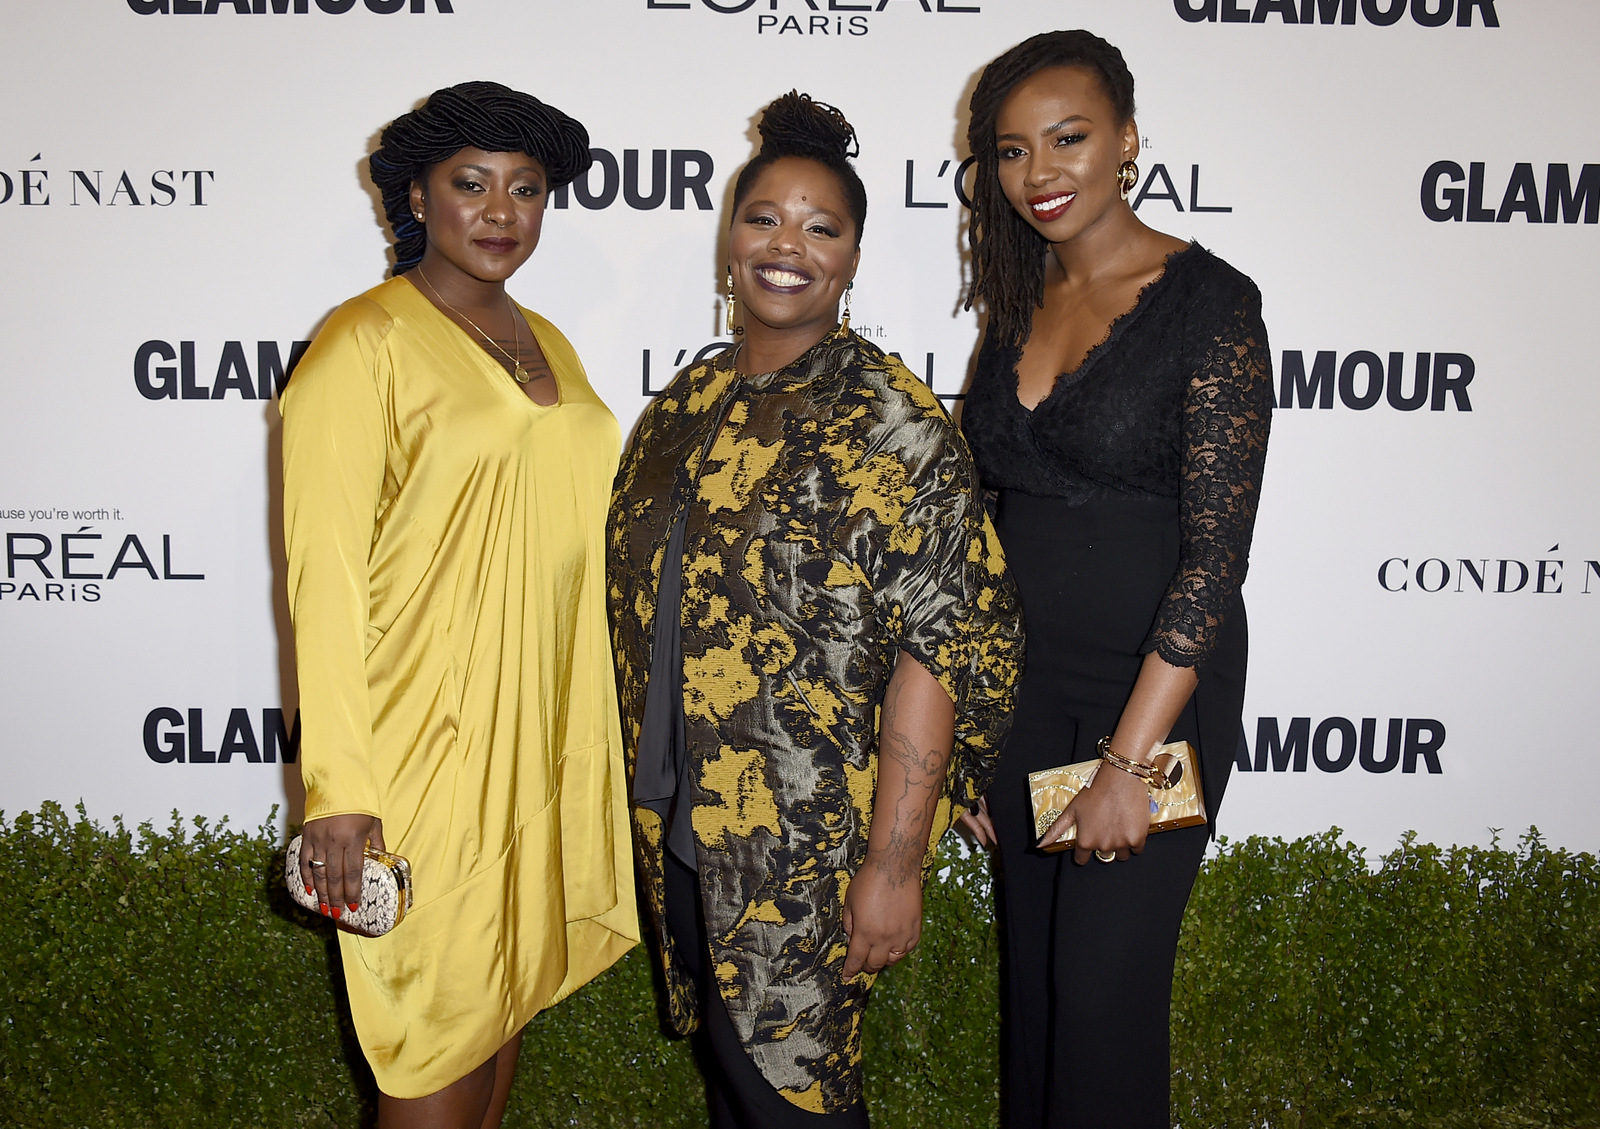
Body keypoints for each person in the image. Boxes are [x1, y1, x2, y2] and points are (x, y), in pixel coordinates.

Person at [607, 91, 1023, 1128]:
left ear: (851, 258)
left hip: (806, 857)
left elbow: (938, 646)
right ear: (728, 240)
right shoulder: (683, 408)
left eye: (820, 227)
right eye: (763, 219)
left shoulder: (890, 420)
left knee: (798, 1102)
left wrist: (893, 866)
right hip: (683, 836)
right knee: (739, 1100)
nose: (786, 245)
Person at [281, 81, 637, 1129]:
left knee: (493, 1034)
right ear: (416, 198)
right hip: (417, 751)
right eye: (471, 184)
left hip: (535, 747)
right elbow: (324, 576)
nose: (500, 210)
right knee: (433, 1048)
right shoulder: (363, 344)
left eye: (525, 190)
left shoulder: (552, 344)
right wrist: (339, 788)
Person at [956, 30, 1274, 1129]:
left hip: (1154, 701)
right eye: (1011, 150)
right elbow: (987, 536)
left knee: (1100, 1000)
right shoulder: (1013, 305)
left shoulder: (1211, 303)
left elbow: (1213, 557)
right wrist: (971, 729)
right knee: (1039, 1001)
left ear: (1128, 140)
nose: (1037, 172)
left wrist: (1128, 765)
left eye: (1068, 138)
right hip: (1027, 699)